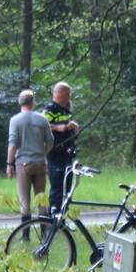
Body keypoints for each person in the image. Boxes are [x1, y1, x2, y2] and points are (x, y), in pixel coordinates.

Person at [7, 89, 54, 232]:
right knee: (41, 199)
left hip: (23, 164)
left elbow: (13, 144)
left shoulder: (15, 120)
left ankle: (25, 236)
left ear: (19, 102)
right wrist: (42, 153)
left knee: (24, 201)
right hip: (40, 163)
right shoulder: (42, 119)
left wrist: (9, 164)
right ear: (33, 102)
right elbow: (51, 141)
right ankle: (45, 234)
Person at [44, 82, 79, 212]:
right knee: (58, 186)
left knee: (67, 187)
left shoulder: (65, 110)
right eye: (67, 93)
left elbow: (67, 125)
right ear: (59, 93)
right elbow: (44, 125)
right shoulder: (50, 109)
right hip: (56, 153)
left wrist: (73, 127)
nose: (69, 96)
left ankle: (62, 217)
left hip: (67, 153)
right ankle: (53, 217)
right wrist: (61, 127)